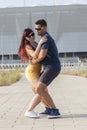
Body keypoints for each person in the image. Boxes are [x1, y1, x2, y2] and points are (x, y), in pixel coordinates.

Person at [30, 19, 61, 119]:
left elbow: (42, 55)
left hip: (52, 67)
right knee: (35, 88)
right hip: (49, 67)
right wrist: (33, 42)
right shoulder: (43, 38)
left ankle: (54, 110)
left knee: (39, 88)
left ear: (45, 27)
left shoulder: (46, 38)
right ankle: (48, 108)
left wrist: (35, 61)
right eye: (36, 29)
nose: (37, 31)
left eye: (39, 29)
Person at [18, 28, 48, 118]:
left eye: (32, 34)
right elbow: (35, 55)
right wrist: (40, 43)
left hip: (36, 71)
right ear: (25, 38)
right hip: (31, 71)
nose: (31, 37)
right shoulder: (27, 46)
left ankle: (48, 108)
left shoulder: (34, 43)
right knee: (41, 90)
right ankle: (29, 110)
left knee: (42, 91)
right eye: (29, 36)